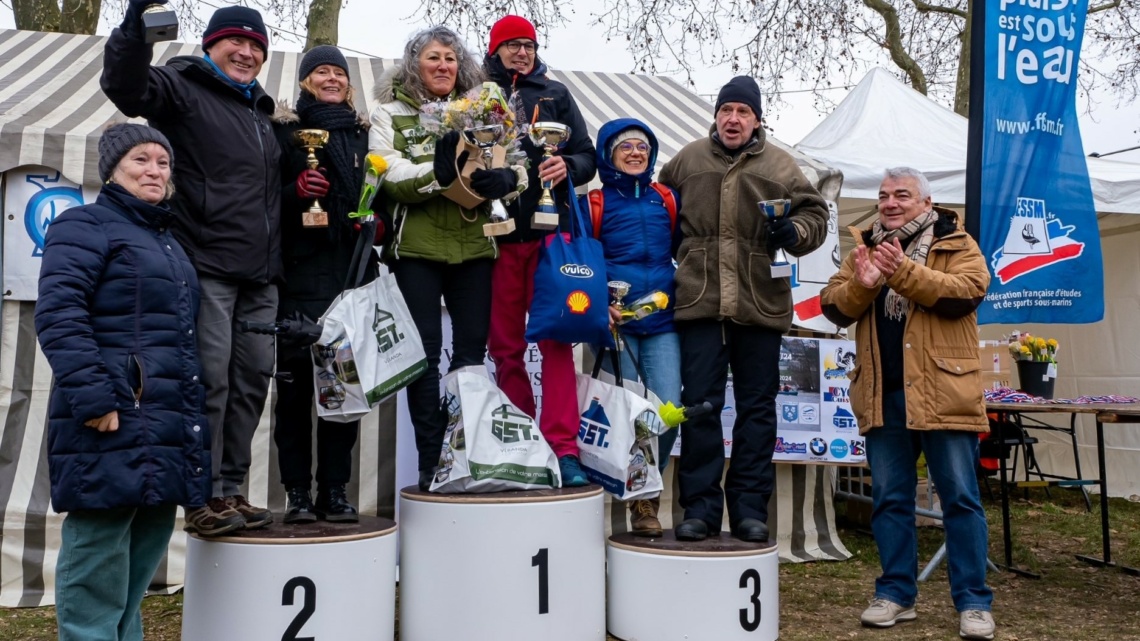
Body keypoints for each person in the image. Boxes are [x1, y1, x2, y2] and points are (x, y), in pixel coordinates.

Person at [101, 1, 282, 533]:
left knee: (251, 384)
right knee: (207, 384)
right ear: (210, 45)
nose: (246, 53)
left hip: (261, 276)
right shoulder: (182, 87)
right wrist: (136, 27)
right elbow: (125, 85)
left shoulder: (262, 114)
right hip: (204, 264)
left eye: (256, 46)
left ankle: (229, 490)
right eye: (235, 42)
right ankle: (197, 496)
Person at [35, 124, 211, 640]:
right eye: (140, 160)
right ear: (112, 168)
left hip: (165, 417)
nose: (154, 170)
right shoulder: (84, 224)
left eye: (162, 162)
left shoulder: (169, 242)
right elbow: (59, 314)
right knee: (97, 557)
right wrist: (94, 397)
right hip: (110, 413)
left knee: (139, 561)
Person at [820, 168, 995, 640]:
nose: (890, 203)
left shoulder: (956, 242)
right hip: (884, 395)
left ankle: (974, 603)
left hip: (943, 394)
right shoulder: (866, 246)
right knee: (890, 501)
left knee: (960, 499)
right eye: (883, 196)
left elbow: (968, 292)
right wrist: (867, 281)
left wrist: (903, 272)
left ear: (926, 202)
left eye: (902, 195)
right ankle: (896, 594)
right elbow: (834, 305)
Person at [658, 76, 829, 542]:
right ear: (716, 116)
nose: (733, 119)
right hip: (699, 303)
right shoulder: (688, 159)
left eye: (743, 112)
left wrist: (793, 233)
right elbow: (658, 207)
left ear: (757, 120)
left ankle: (751, 510)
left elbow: (816, 213)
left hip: (759, 303)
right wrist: (684, 252)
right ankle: (699, 510)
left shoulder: (780, 164)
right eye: (726, 110)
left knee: (757, 411)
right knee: (699, 410)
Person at [369, 27, 513, 491]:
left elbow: (518, 164)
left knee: (471, 355)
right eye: (434, 57)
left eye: (451, 58)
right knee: (425, 357)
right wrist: (437, 175)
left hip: (475, 247)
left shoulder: (481, 109)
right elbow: (388, 172)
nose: (444, 66)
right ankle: (432, 461)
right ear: (415, 63)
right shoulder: (389, 112)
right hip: (417, 250)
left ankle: (466, 454)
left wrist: (507, 178)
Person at [483, 15, 598, 486]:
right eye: (511, 45)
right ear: (495, 51)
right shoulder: (477, 94)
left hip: (552, 239)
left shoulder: (556, 93)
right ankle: (524, 441)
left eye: (528, 45)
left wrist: (565, 164)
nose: (521, 53)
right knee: (505, 348)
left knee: (555, 342)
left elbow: (589, 157)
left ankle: (564, 449)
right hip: (500, 236)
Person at [272, 46, 381, 522]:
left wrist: (373, 222)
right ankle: (296, 493)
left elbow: (382, 198)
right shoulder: (284, 134)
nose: (331, 77)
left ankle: (334, 490)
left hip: (350, 279)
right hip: (298, 278)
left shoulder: (365, 135)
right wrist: (296, 195)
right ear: (305, 82)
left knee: (344, 392)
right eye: (321, 71)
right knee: (294, 394)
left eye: (339, 71)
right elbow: (264, 203)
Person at [583, 119, 681, 535]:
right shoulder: (594, 203)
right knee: (618, 414)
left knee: (666, 412)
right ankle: (625, 502)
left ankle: (645, 496)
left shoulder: (666, 199)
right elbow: (581, 264)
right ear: (609, 154)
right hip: (614, 324)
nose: (636, 153)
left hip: (661, 322)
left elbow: (681, 251)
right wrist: (599, 304)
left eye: (643, 146)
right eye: (626, 147)